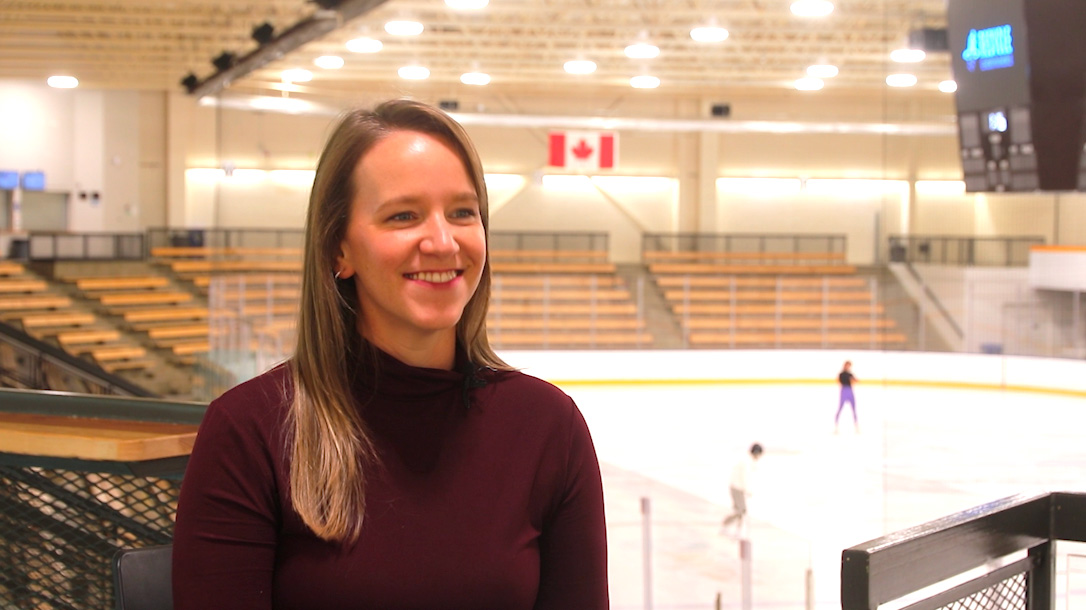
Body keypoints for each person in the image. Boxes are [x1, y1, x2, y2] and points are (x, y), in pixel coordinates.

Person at [172, 99, 609, 609]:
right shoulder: (251, 430)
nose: (443, 242)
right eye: (404, 215)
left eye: (463, 212)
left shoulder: (546, 426)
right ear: (339, 249)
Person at [721, 443, 763, 537]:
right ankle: (726, 525)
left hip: (737, 487)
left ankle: (737, 530)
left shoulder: (748, 461)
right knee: (741, 510)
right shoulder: (747, 462)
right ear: (756, 453)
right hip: (737, 488)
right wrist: (748, 491)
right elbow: (745, 478)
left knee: (741, 511)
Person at [835, 360, 858, 433]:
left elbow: (855, 380)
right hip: (844, 390)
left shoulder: (850, 374)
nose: (848, 367)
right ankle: (836, 425)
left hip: (850, 390)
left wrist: (854, 380)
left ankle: (856, 425)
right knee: (840, 407)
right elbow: (839, 380)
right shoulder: (841, 374)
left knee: (853, 408)